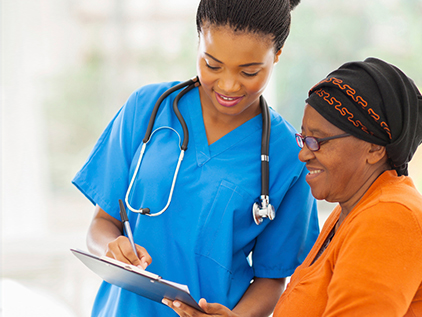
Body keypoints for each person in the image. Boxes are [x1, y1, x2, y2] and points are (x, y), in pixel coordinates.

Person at [72, 0, 319, 316]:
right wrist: (111, 249)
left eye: (249, 71)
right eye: (212, 65)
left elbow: (272, 277)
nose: (228, 85)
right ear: (198, 43)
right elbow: (101, 225)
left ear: (277, 56)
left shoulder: (288, 154)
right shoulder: (146, 108)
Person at [271, 57, 422, 316]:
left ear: (375, 148)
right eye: (304, 138)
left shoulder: (390, 217)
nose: (304, 154)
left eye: (317, 141)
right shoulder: (350, 210)